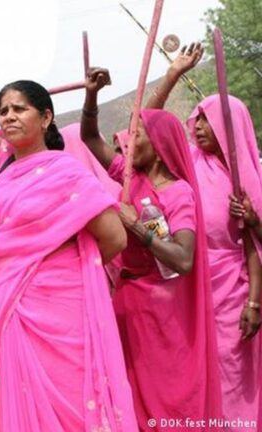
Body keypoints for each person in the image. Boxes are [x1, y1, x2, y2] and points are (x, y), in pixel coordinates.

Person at [0, 23, 136, 431]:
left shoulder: (67, 172)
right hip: (16, 302)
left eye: (20, 108)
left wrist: (63, 267)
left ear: (45, 116)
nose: (9, 115)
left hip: (65, 304)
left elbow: (114, 237)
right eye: (4, 110)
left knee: (74, 397)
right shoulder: (2, 161)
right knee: (28, 394)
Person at [81, 67, 222, 428]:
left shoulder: (179, 194)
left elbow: (183, 258)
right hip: (128, 308)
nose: (128, 142)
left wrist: (138, 230)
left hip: (164, 317)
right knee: (129, 398)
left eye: (136, 134)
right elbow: (90, 138)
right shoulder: (129, 177)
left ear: (157, 146)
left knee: (166, 400)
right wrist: (92, 95)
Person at [145, 45, 262, 427]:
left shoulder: (246, 177)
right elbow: (146, 122)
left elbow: (253, 247)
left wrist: (255, 303)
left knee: (232, 374)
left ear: (231, 126)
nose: (196, 126)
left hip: (233, 295)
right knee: (192, 372)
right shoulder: (187, 165)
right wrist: (172, 75)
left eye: (206, 120)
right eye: (195, 119)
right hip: (188, 285)